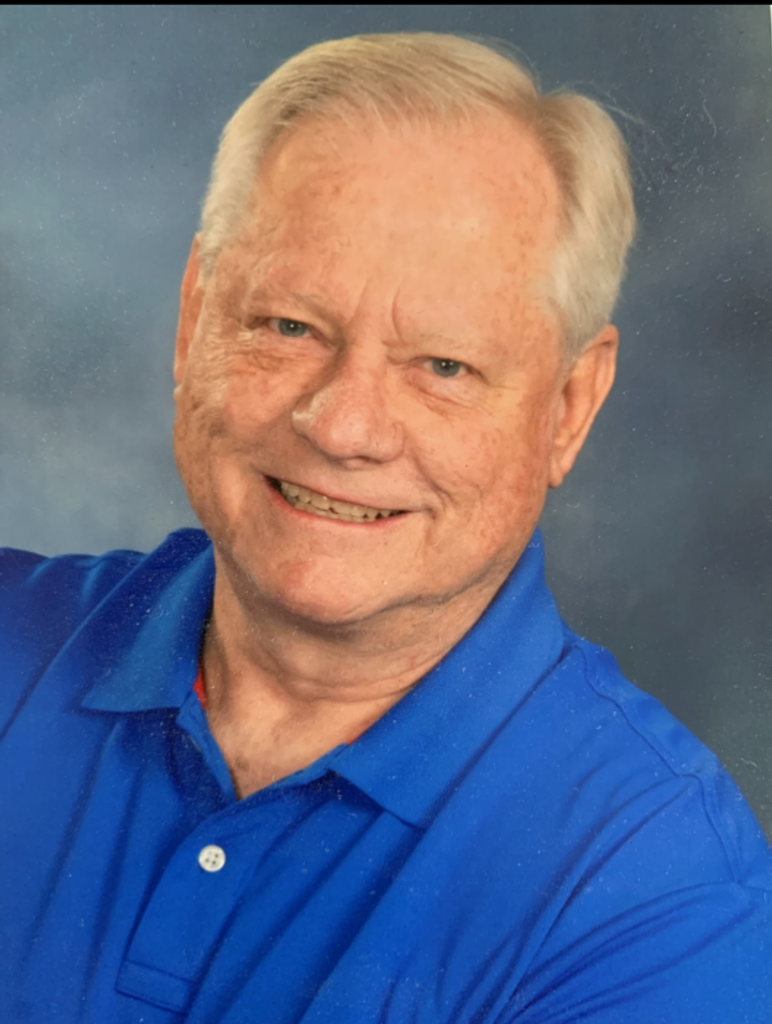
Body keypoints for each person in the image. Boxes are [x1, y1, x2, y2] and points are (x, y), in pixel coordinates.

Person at [1, 31, 770, 1024]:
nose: (343, 426)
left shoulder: (657, 893)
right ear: (195, 318)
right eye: (289, 326)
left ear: (569, 407)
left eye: (442, 365)